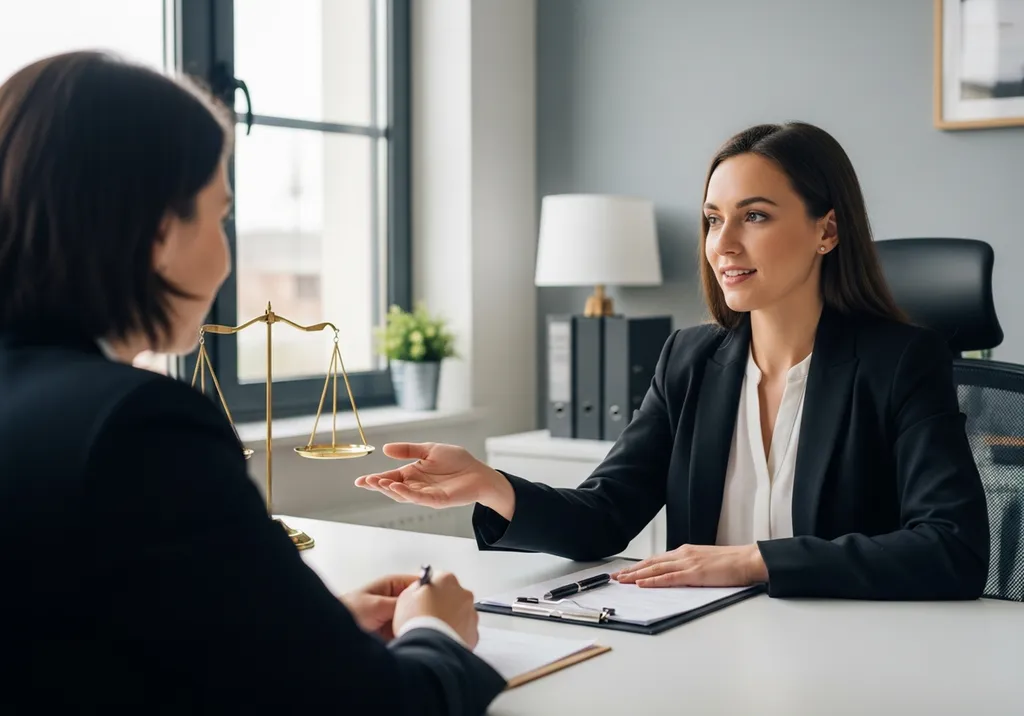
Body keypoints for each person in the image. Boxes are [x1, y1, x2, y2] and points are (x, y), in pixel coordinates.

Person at [0, 52, 504, 713]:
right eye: (219, 215)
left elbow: (78, 639)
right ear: (158, 233)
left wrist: (306, 635)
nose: (226, 254)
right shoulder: (137, 425)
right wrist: (436, 632)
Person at [357, 121, 991, 601]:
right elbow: (604, 516)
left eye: (756, 217)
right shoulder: (691, 360)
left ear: (827, 231)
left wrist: (754, 561)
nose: (724, 245)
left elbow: (953, 549)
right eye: (713, 220)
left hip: (849, 655)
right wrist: (493, 487)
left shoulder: (902, 362)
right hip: (705, 644)